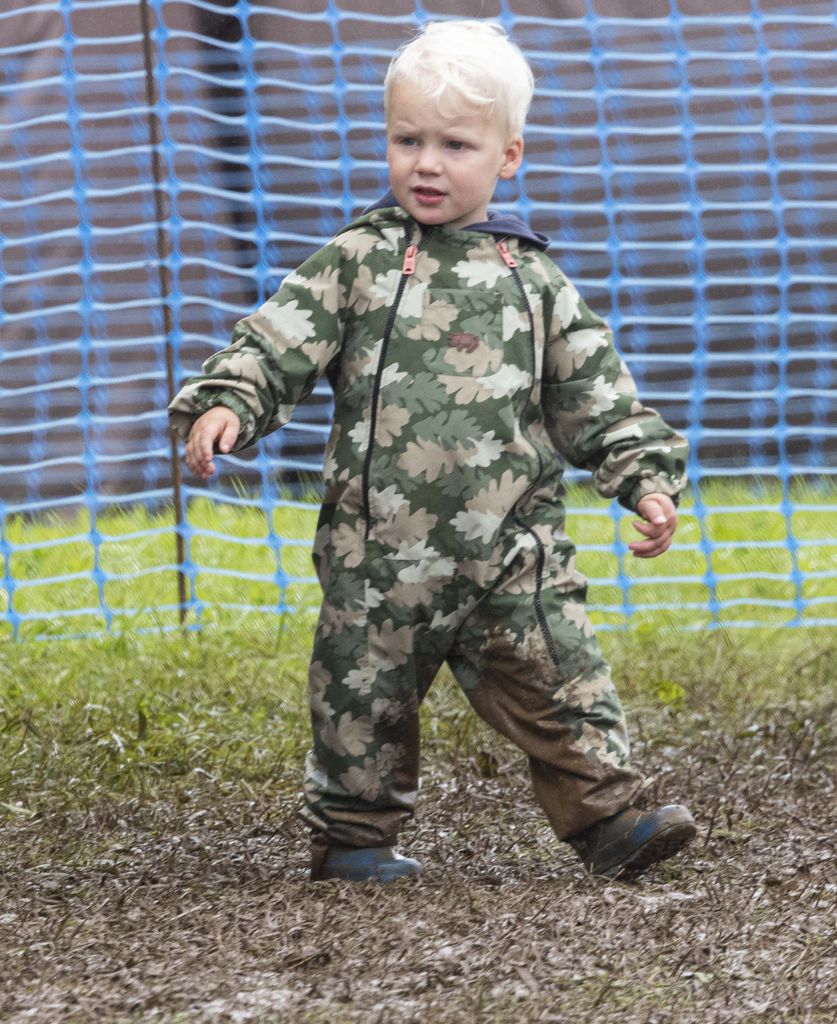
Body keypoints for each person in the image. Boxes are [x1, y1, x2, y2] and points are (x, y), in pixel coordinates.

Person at [169, 20, 697, 883]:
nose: (425, 162)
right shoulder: (357, 261)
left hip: (509, 551)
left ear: (507, 156)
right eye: (406, 139)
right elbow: (276, 342)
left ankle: (610, 822)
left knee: (561, 678)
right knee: (359, 697)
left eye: (454, 144)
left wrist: (644, 479)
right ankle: (354, 840)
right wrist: (229, 401)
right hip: (378, 552)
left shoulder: (534, 283)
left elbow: (595, 393)